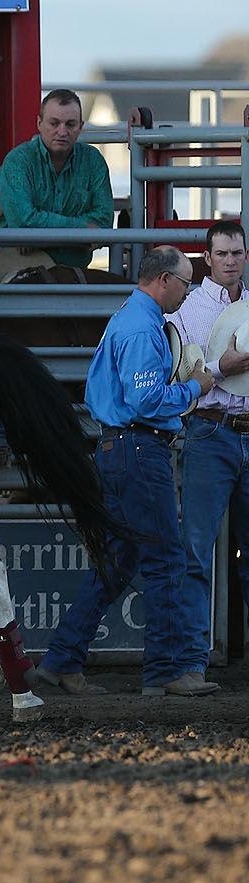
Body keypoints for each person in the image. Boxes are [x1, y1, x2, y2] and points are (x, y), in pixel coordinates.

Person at [31, 246, 218, 699]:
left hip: (119, 449)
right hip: (140, 450)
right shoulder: (141, 326)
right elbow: (146, 402)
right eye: (185, 282)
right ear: (163, 281)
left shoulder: (130, 319)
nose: (187, 291)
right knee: (166, 559)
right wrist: (196, 387)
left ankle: (61, 660)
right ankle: (166, 670)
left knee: (116, 563)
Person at [166, 221, 249, 685]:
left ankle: (194, 662)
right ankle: (191, 664)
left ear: (245, 256)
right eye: (222, 254)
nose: (231, 260)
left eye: (237, 253)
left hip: (235, 431)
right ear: (207, 258)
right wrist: (222, 367)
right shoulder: (187, 311)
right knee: (196, 551)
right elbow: (181, 377)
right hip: (210, 431)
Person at [0, 90, 114, 270]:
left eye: (70, 124)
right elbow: (24, 221)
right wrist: (82, 231)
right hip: (17, 269)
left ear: (81, 127)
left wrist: (35, 238)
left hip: (73, 271)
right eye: (54, 123)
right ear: (39, 123)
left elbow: (103, 220)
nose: (62, 131)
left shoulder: (93, 160)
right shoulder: (17, 161)